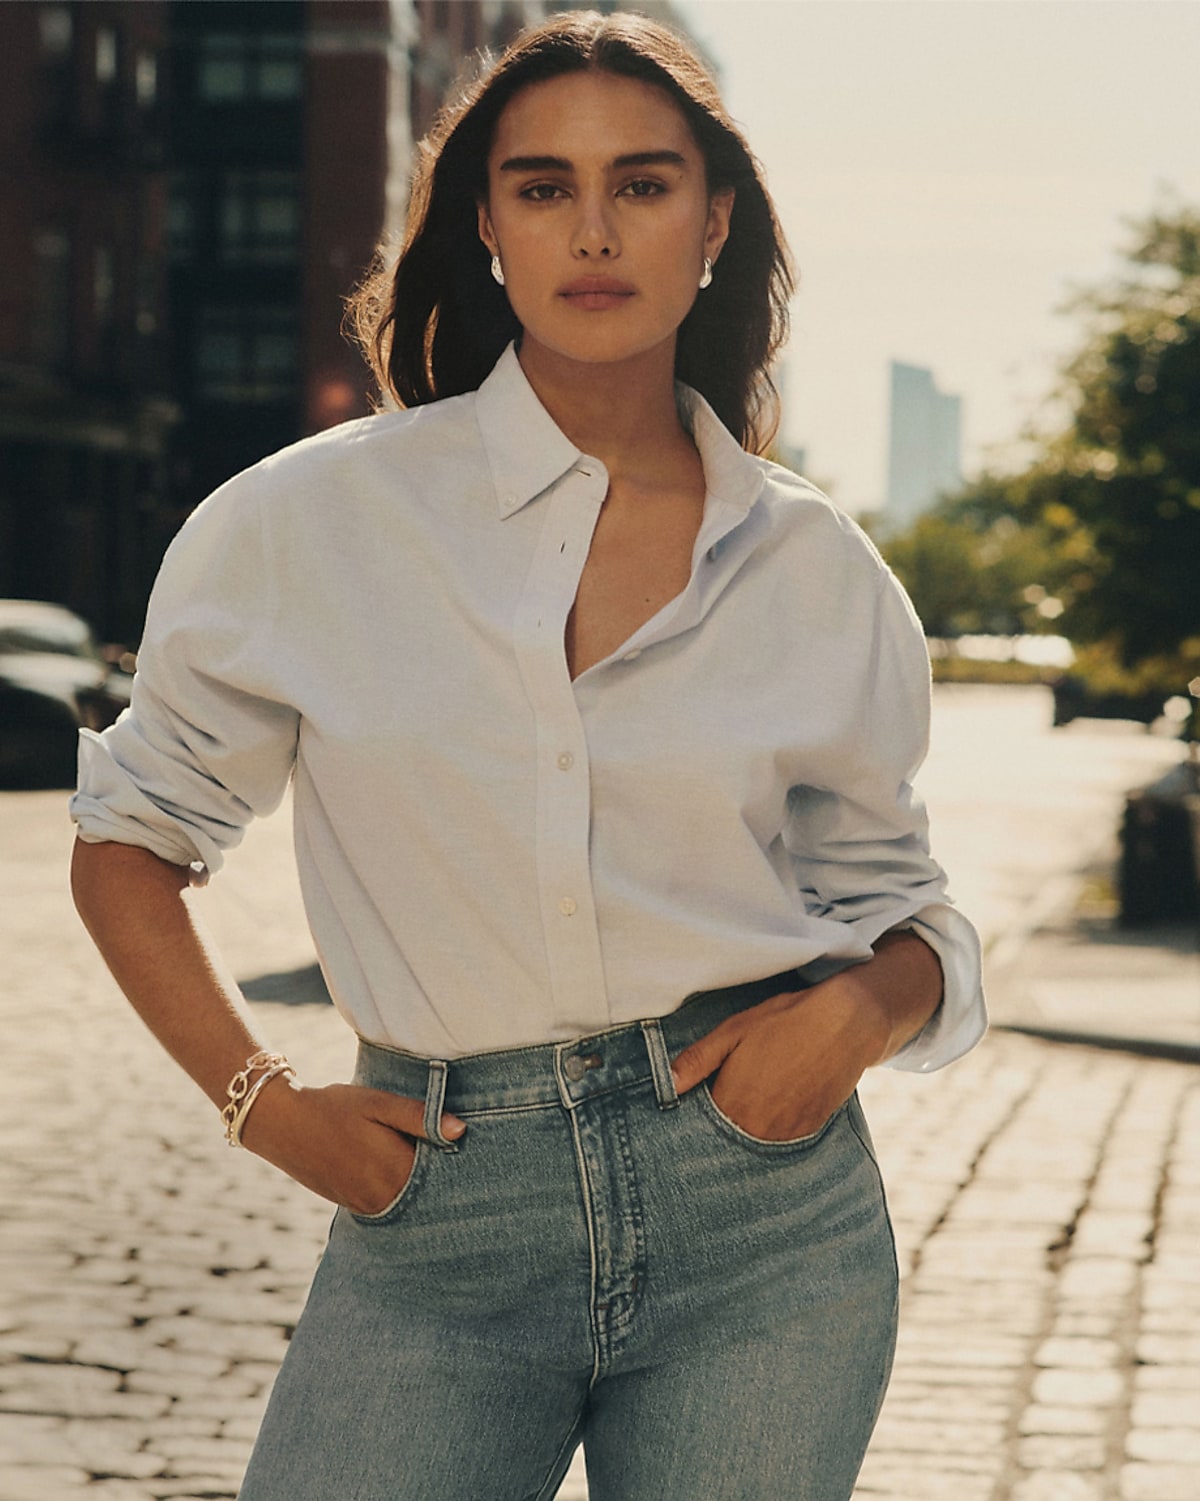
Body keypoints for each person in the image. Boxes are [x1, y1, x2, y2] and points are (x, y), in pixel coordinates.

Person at [70, 11, 986, 1499]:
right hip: (438, 1211)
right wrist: (265, 1103)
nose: (596, 229)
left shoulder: (816, 568)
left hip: (764, 1224)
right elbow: (127, 842)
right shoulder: (310, 524)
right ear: (486, 225)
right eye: (544, 187)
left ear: (716, 219)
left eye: (643, 181)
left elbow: (910, 908)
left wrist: (868, 1007)